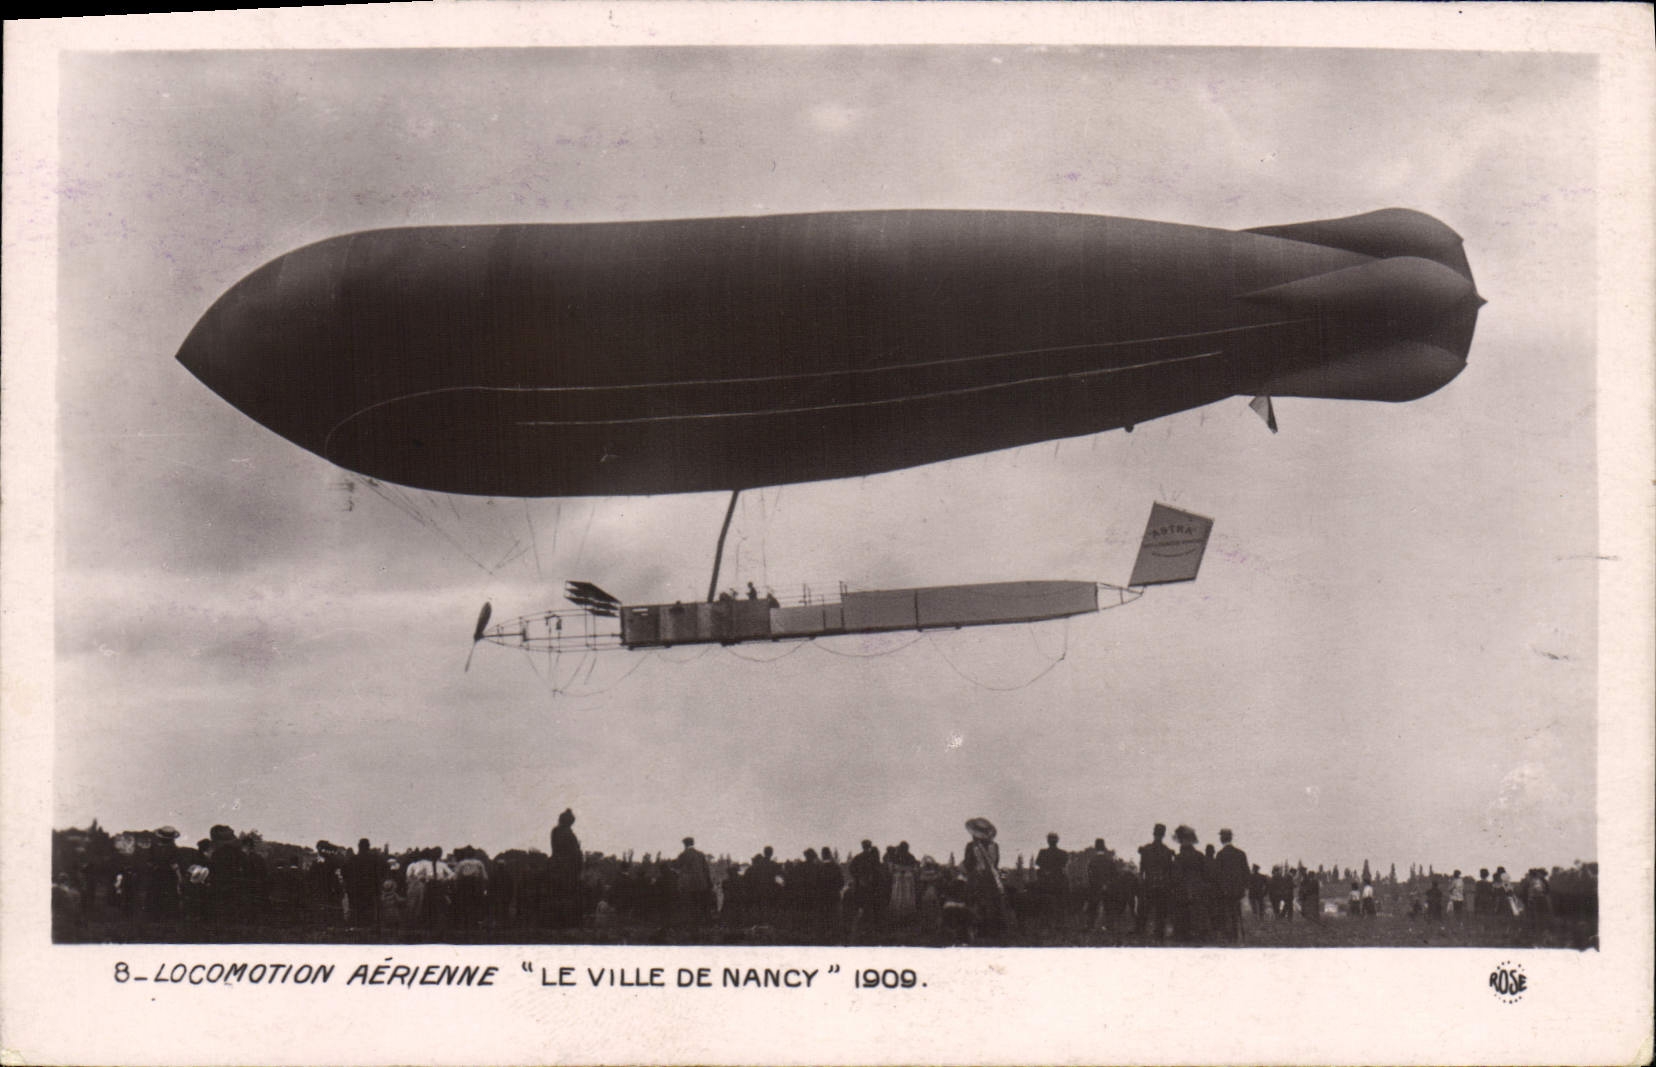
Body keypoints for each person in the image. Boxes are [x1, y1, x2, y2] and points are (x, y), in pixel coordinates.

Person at [962, 817, 1006, 938]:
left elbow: (968, 864)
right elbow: (996, 863)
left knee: (973, 902)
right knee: (992, 903)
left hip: (976, 878)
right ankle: (992, 930)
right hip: (991, 879)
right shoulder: (994, 846)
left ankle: (976, 930)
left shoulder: (971, 846)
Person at [1136, 824, 1173, 942]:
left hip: (1149, 884)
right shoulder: (1167, 851)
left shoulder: (1146, 849)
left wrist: (1141, 882)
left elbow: (1141, 869)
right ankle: (1158, 934)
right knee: (1160, 912)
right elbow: (1169, 871)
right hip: (1162, 885)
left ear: (1154, 833)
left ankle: (1141, 931)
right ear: (1163, 835)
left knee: (1144, 910)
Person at [1170, 825, 1206, 944]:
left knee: (1183, 916)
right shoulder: (1200, 856)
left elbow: (1175, 877)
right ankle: (1197, 935)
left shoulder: (1179, 858)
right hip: (1197, 890)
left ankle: (1184, 936)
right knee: (1196, 916)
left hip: (1182, 892)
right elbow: (1205, 875)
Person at [1214, 829, 1249, 944]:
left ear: (1222, 839)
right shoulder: (1241, 854)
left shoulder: (1220, 855)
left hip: (1225, 892)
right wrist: (1243, 888)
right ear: (1231, 838)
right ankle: (1237, 936)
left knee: (1226, 914)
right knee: (1236, 914)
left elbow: (1217, 875)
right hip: (1238, 892)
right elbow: (1246, 874)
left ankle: (1229, 937)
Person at [549, 809, 583, 927]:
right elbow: (575, 853)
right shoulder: (570, 834)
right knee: (568, 894)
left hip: (555, 864)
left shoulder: (555, 831)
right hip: (568, 868)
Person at [675, 836, 713, 922]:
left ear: (685, 844)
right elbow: (706, 869)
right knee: (700, 902)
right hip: (702, 884)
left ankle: (692, 921)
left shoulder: (683, 855)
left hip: (689, 884)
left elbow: (677, 866)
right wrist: (708, 882)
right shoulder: (700, 854)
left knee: (690, 904)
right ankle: (702, 920)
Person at [1035, 833, 1070, 920]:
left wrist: (1046, 870)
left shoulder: (1043, 852)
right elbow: (1063, 864)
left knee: (1044, 902)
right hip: (1058, 881)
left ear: (1047, 841)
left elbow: (1038, 863)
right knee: (1060, 903)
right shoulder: (1063, 853)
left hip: (1046, 881)